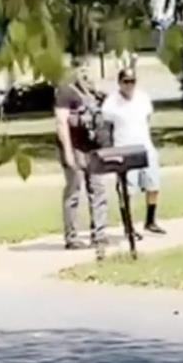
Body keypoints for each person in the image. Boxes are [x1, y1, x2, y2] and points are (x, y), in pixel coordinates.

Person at [102, 67, 166, 236]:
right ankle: (128, 226)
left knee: (154, 184)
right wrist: (111, 151)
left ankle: (150, 221)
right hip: (124, 149)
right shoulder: (111, 102)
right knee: (127, 190)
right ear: (119, 83)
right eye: (126, 81)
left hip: (145, 147)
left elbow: (147, 120)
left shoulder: (143, 98)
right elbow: (106, 128)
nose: (129, 85)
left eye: (132, 81)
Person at [54, 65, 108, 253]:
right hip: (74, 147)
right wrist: (68, 152)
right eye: (82, 70)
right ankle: (72, 237)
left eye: (88, 70)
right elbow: (61, 123)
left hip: (93, 148)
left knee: (98, 189)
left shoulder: (96, 94)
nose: (86, 74)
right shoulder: (65, 92)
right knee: (74, 191)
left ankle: (99, 235)